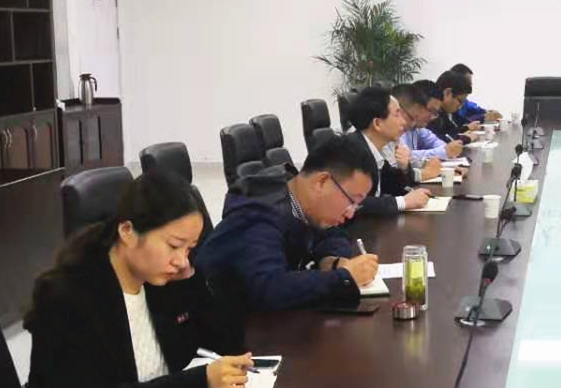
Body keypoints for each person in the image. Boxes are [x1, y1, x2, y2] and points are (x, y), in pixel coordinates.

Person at [22, 172, 253, 388]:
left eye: (189, 249)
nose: (181, 260)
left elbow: (229, 344)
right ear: (128, 232)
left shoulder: (158, 282)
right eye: (173, 246)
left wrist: (190, 280)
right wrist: (198, 381)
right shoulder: (68, 300)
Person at [194, 134, 382, 333]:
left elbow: (334, 233)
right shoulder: (259, 216)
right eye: (351, 200)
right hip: (224, 334)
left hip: (266, 325)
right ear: (322, 182)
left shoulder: (300, 198)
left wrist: (330, 259)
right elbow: (270, 288)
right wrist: (344, 277)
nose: (350, 212)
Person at [346, 85, 433, 216]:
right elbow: (353, 203)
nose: (403, 122)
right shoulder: (352, 151)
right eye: (397, 115)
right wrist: (403, 202)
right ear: (377, 124)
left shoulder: (372, 150)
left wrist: (405, 169)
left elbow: (393, 184)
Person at [393, 82, 464, 165]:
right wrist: (444, 152)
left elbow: (434, 141)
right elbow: (404, 156)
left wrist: (448, 149)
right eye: (432, 110)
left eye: (436, 113)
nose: (433, 117)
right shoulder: (396, 127)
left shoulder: (418, 128)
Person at [428, 69, 480, 143]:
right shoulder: (430, 112)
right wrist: (465, 139)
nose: (460, 106)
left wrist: (465, 129)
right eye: (460, 101)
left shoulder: (443, 112)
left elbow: (451, 131)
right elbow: (436, 141)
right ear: (447, 93)